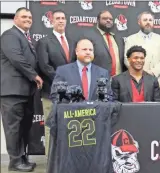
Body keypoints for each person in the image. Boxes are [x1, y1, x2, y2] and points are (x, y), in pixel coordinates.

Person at [0, 7, 43, 172]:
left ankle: (22, 158)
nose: (28, 19)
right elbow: (16, 58)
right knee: (13, 128)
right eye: (24, 16)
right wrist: (34, 76)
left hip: (25, 91)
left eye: (30, 17)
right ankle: (15, 162)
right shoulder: (10, 35)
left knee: (24, 127)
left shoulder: (24, 36)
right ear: (15, 19)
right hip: (12, 91)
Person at [36, 10, 76, 157]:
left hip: (70, 93)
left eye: (63, 18)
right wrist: (64, 79)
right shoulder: (44, 42)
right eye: (57, 18)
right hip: (51, 91)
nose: (60, 21)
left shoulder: (72, 41)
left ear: (66, 21)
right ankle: (51, 160)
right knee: (50, 126)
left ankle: (66, 158)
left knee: (68, 125)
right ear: (52, 22)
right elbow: (44, 66)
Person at [124, 11, 160, 102]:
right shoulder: (130, 39)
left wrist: (153, 72)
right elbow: (127, 59)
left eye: (150, 20)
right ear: (139, 22)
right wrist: (142, 74)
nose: (148, 22)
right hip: (137, 83)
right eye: (145, 20)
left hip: (159, 82)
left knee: (158, 113)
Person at [80, 10, 124, 76]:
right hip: (98, 79)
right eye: (105, 18)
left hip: (118, 80)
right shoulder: (88, 36)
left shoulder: (118, 38)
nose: (108, 20)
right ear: (98, 21)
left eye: (110, 19)